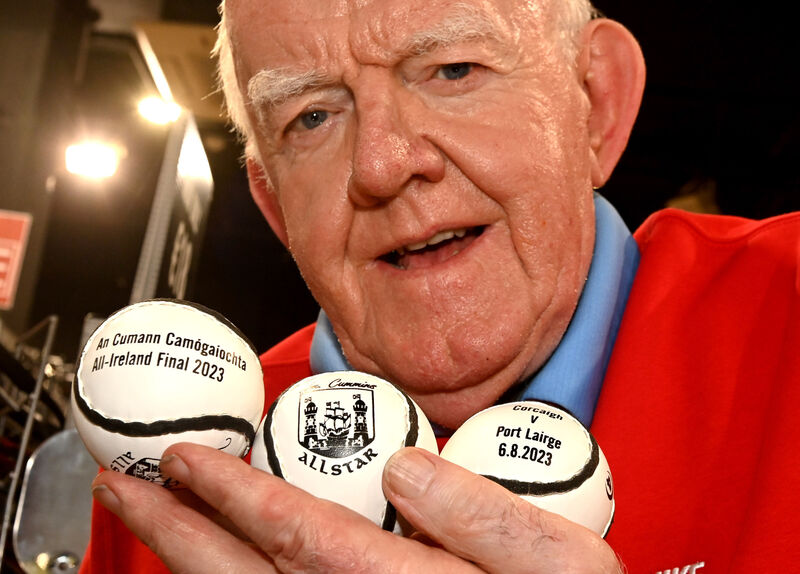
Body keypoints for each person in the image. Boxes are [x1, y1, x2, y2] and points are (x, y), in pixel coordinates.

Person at [81, 0, 800, 572]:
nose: (383, 164)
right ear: (275, 207)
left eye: (452, 70)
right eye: (313, 116)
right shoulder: (173, 470)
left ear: (595, 102)